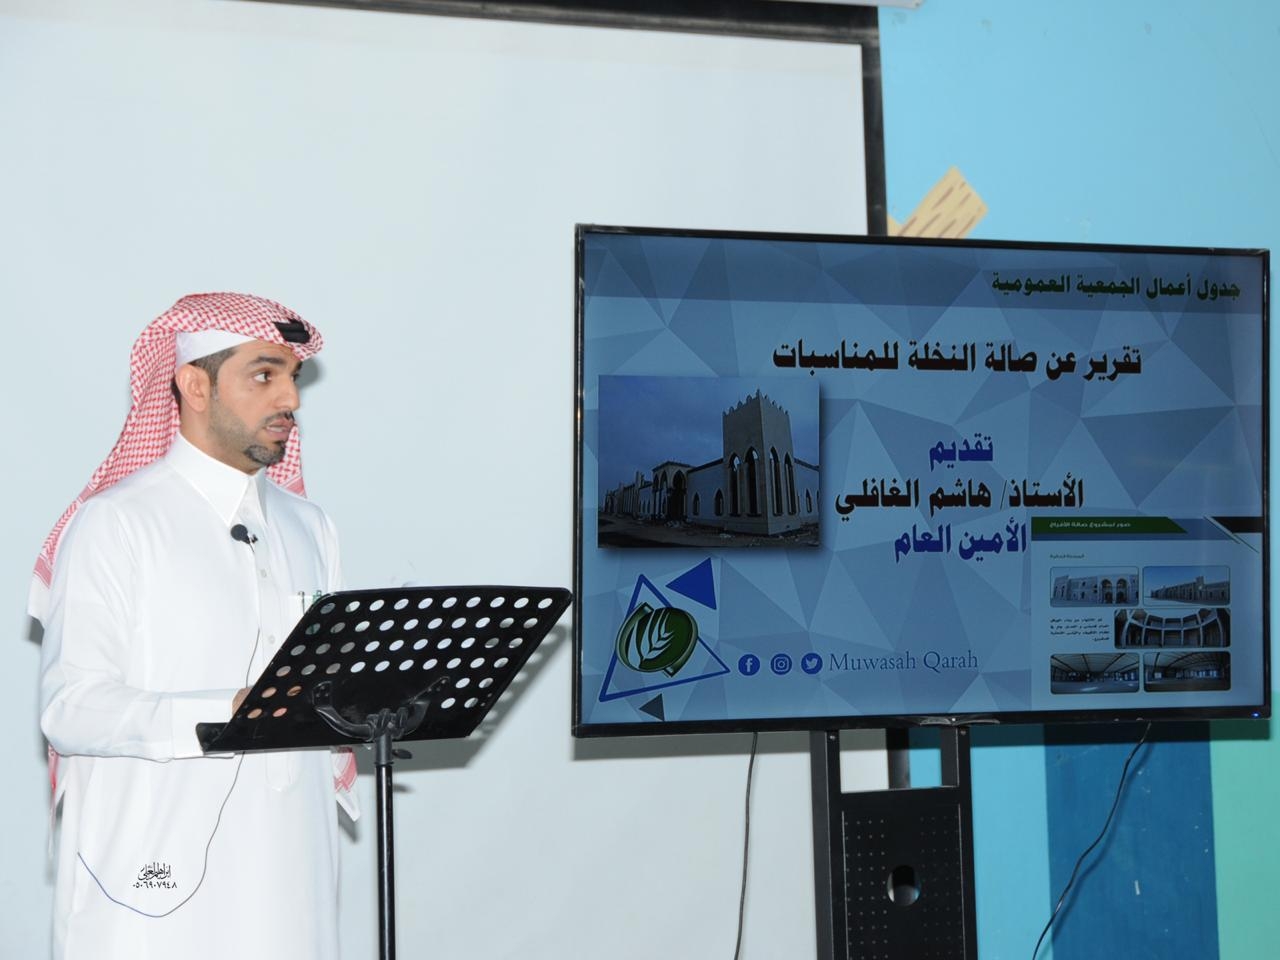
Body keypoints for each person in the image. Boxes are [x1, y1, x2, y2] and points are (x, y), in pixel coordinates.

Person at [31, 293, 357, 959]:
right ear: (194, 385)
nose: (290, 399)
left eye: (293, 377)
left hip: (290, 878)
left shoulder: (310, 526)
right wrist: (228, 712)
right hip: (153, 892)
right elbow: (71, 709)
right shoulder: (117, 522)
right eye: (264, 375)